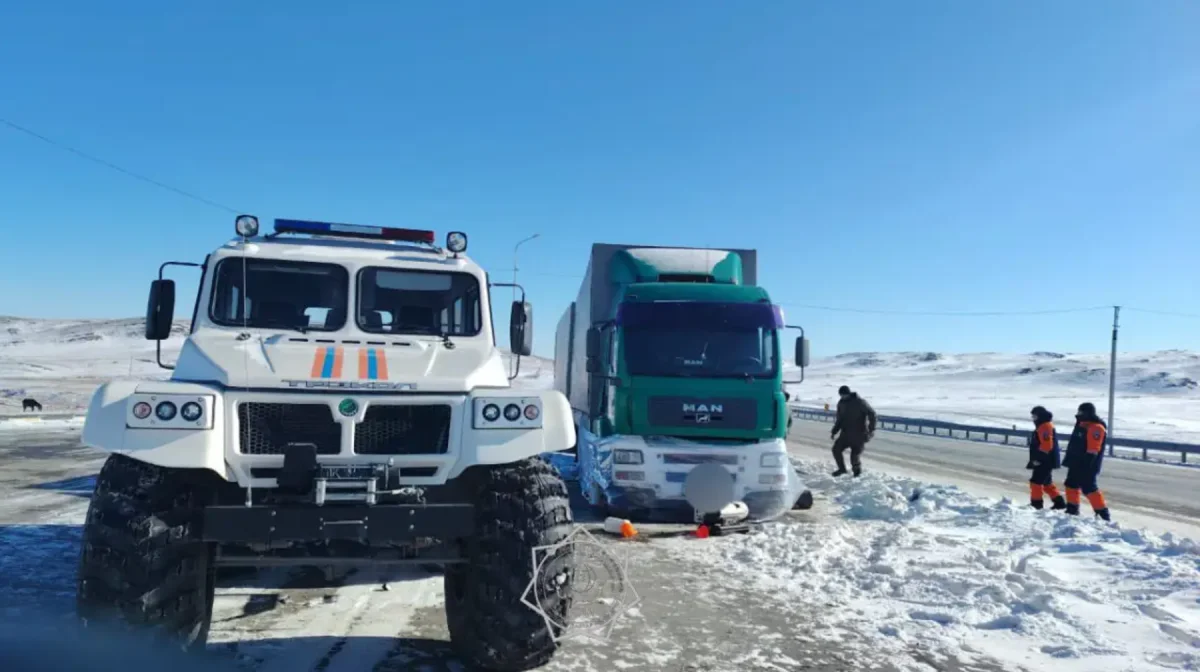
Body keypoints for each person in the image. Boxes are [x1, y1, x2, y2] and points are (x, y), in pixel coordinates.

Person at [1062, 402, 1112, 521]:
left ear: (1088, 413)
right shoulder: (1081, 424)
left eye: (1082, 412)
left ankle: (1102, 513)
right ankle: (1072, 509)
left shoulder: (1096, 428)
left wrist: (1086, 464)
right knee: (1070, 484)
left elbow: (1093, 449)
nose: (1079, 415)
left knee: (1089, 488)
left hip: (1088, 464)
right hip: (1075, 462)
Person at [830, 385, 876, 477]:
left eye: (844, 395)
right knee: (836, 449)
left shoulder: (860, 402)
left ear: (849, 393)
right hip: (845, 434)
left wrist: (871, 430)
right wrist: (834, 431)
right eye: (841, 395)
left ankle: (857, 474)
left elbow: (872, 414)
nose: (843, 397)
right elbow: (840, 419)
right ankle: (842, 469)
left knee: (854, 457)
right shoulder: (841, 403)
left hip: (859, 434)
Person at [1026, 406, 1066, 510]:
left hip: (1045, 460)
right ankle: (1059, 503)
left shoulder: (1045, 427)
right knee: (1046, 483)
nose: (1033, 419)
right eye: (1032, 417)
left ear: (1040, 416)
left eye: (1035, 416)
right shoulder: (1043, 426)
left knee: (1036, 482)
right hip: (1045, 459)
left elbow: (1047, 445)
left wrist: (1038, 460)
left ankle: (1036, 504)